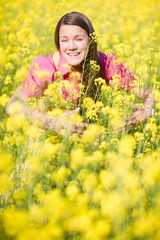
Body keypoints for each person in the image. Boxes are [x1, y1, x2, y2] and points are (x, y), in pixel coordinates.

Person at [6, 11, 155, 135]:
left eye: (78, 39)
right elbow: (12, 105)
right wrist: (51, 123)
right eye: (64, 40)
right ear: (58, 43)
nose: (71, 47)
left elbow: (148, 93)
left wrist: (148, 110)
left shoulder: (104, 62)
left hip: (84, 139)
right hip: (45, 138)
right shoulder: (47, 67)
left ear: (90, 41)